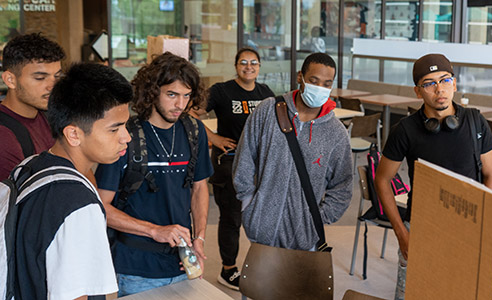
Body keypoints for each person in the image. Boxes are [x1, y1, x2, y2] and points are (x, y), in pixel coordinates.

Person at [373, 53, 492, 300]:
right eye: (429, 83)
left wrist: (484, 222)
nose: (439, 89)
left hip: (468, 228)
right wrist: (402, 233)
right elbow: (382, 180)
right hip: (420, 229)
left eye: (444, 80)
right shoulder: (405, 130)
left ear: (454, 83)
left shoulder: (476, 122)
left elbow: (491, 175)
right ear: (418, 92)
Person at [10, 62, 132, 299]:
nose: (125, 137)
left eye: (125, 125)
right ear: (73, 134)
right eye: (114, 129)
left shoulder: (31, 166)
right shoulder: (78, 205)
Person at [95, 53, 213, 297]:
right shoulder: (125, 135)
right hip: (137, 268)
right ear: (152, 92)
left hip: (182, 262)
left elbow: (199, 188)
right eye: (172, 94)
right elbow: (100, 207)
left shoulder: (194, 130)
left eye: (186, 95)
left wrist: (199, 239)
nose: (180, 104)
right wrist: (154, 231)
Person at [233, 52, 353, 250]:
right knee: (261, 280)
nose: (320, 88)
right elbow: (244, 158)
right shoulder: (268, 110)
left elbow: (343, 184)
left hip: (306, 235)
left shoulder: (336, 132)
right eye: (314, 81)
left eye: (326, 83)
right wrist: (249, 205)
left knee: (300, 281)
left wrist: (319, 217)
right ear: (300, 77)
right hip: (262, 227)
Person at [189, 48, 274, 290]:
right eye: (243, 62)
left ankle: (263, 263)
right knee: (232, 218)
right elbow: (190, 112)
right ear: (236, 66)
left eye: (254, 63)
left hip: (258, 164)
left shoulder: (265, 92)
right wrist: (213, 138)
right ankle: (228, 270)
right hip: (229, 163)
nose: (249, 67)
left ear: (259, 66)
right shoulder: (222, 90)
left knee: (260, 216)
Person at [0, 33, 65, 209]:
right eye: (40, 78)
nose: (52, 86)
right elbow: (27, 209)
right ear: (10, 80)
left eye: (56, 76)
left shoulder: (45, 116)